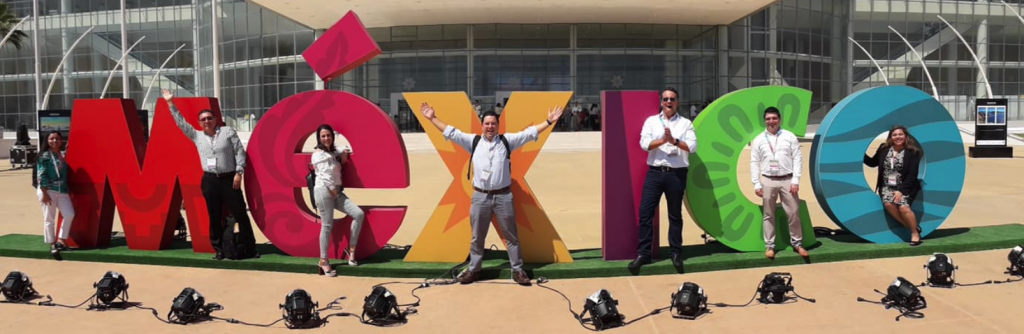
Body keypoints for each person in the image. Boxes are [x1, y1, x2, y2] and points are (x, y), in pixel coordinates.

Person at [419, 102, 563, 285]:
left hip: (503, 196)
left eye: (493, 123)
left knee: (511, 236)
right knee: (477, 237)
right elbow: (451, 132)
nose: (490, 127)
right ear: (482, 125)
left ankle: (517, 270)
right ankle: (474, 269)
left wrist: (549, 122)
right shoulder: (473, 142)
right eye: (487, 123)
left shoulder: (507, 141)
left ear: (498, 125)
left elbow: (529, 133)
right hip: (480, 197)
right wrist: (432, 118)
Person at [162, 89, 259, 260]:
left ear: (215, 120)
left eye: (209, 118)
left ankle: (249, 248)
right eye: (203, 119)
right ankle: (219, 249)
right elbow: (181, 123)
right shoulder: (197, 136)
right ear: (199, 123)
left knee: (240, 213)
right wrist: (170, 103)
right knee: (214, 216)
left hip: (230, 179)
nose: (206, 121)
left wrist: (239, 172)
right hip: (210, 181)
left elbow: (239, 152)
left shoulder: (228, 132)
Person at [629, 87, 697, 271]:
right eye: (666, 98)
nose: (669, 101)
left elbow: (692, 147)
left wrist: (674, 141)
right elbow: (644, 144)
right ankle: (644, 254)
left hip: (676, 173)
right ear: (661, 102)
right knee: (645, 213)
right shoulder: (651, 121)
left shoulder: (685, 123)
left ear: (677, 102)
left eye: (672, 99)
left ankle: (676, 252)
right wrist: (663, 140)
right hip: (655, 173)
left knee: (675, 215)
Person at [750, 107, 808, 259]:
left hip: (788, 180)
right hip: (768, 180)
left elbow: (798, 159)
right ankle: (770, 246)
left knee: (794, 213)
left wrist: (795, 180)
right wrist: (756, 183)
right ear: (765, 121)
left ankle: (797, 243)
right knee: (768, 215)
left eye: (774, 118)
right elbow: (754, 162)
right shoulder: (759, 139)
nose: (771, 122)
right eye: (768, 119)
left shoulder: (789, 137)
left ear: (779, 119)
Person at [310, 124, 365, 276]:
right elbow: (324, 176)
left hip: (336, 192)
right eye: (323, 136)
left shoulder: (334, 151)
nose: (326, 138)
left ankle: (351, 250)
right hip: (324, 192)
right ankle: (323, 261)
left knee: (358, 214)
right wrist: (334, 191)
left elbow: (343, 148)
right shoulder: (318, 155)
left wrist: (344, 153)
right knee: (327, 225)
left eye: (328, 135)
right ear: (319, 138)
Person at [864, 125, 924, 246]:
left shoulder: (913, 152)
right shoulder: (883, 149)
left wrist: (901, 191)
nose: (898, 137)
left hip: (905, 187)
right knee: (888, 203)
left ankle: (914, 233)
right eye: (895, 135)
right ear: (890, 137)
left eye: (900, 134)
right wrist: (858, 152)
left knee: (903, 207)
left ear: (905, 136)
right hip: (887, 187)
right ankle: (912, 227)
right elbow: (872, 162)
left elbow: (912, 175)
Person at [37, 131, 75, 257]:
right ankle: (52, 244)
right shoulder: (44, 156)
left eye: (57, 138)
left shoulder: (61, 154)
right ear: (47, 141)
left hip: (62, 190)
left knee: (69, 214)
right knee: (49, 218)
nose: (55, 141)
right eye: (52, 138)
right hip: (48, 190)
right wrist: (44, 193)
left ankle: (61, 241)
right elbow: (41, 175)